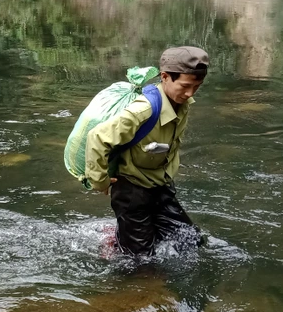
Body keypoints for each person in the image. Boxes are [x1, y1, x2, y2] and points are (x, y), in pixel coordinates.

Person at [85, 46, 208, 258]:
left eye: (197, 86)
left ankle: (116, 237)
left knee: (191, 240)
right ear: (165, 77)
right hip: (132, 192)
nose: (190, 93)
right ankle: (115, 247)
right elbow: (96, 137)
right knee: (140, 260)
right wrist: (99, 181)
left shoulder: (181, 102)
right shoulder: (144, 110)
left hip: (160, 186)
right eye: (186, 86)